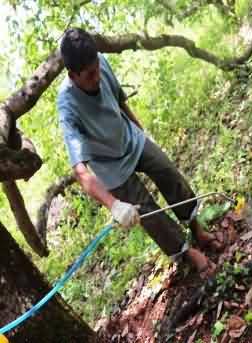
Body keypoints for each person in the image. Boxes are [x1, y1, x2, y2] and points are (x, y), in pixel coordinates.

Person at [57, 28, 222, 278]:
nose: (97, 77)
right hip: (110, 167)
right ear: (72, 75)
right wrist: (114, 205)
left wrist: (142, 133)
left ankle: (196, 228)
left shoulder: (100, 63)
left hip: (130, 138)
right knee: (147, 213)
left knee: (168, 172)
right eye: (89, 75)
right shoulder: (67, 106)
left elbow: (121, 102)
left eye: (97, 69)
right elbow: (80, 171)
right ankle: (188, 254)